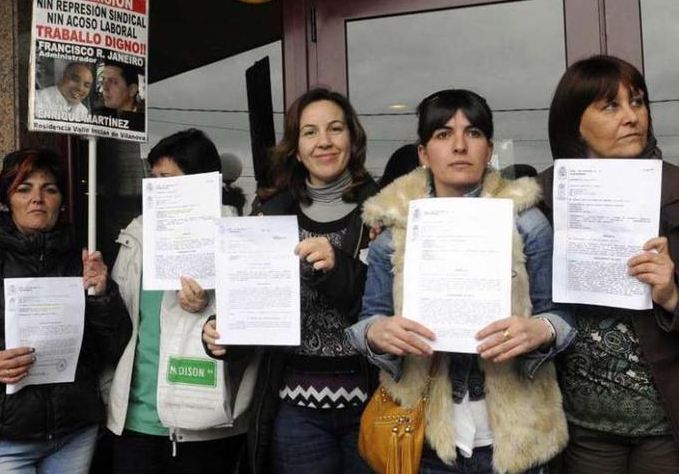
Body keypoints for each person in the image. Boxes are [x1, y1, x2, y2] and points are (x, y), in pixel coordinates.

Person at [347, 89, 573, 473]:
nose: (459, 146)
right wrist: (378, 332)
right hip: (425, 439)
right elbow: (369, 319)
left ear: (488, 148)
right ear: (423, 154)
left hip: (516, 437)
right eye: (443, 134)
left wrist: (540, 331)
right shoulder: (395, 231)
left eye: (473, 133)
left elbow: (562, 316)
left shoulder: (527, 224)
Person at [205, 88, 380, 474]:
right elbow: (250, 303)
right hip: (295, 408)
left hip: (373, 401)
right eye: (310, 132)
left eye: (335, 129)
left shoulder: (382, 210)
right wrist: (222, 335)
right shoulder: (269, 213)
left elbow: (392, 306)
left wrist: (336, 270)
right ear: (296, 148)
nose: (324, 142)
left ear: (352, 140)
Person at [0, 148, 130, 473]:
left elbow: (114, 347)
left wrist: (101, 295)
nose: (37, 198)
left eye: (49, 189)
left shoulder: (81, 260)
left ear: (62, 201)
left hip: (73, 433)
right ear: (7, 198)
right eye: (24, 188)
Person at [538, 55, 679, 473]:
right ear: (573, 123)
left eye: (637, 102)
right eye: (611, 106)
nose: (632, 117)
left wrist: (672, 294)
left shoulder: (677, 190)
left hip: (664, 425)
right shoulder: (539, 199)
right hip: (583, 428)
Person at [106, 129, 256, 474]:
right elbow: (120, 326)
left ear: (203, 184)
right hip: (137, 419)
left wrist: (211, 307)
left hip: (206, 422)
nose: (157, 189)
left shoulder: (238, 235)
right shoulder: (136, 236)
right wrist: (100, 294)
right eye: (154, 179)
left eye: (168, 179)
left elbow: (255, 330)